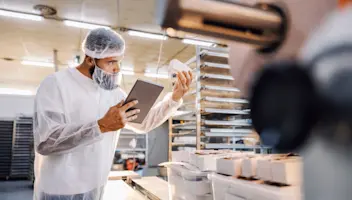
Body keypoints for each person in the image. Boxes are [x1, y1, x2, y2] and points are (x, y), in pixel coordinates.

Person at [33, 28, 193, 200]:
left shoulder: (114, 93)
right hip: (59, 190)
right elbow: (47, 141)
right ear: (90, 59)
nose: (116, 69)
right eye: (110, 62)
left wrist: (174, 99)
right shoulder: (56, 84)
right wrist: (100, 126)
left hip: (96, 187)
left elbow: (144, 123)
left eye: (119, 62)